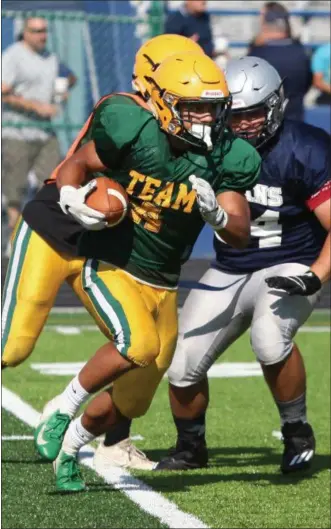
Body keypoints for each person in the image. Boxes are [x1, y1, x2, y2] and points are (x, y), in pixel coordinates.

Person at [31, 50, 262, 493]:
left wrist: (217, 217)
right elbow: (80, 161)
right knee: (136, 344)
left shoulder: (227, 157)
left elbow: (239, 233)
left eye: (212, 107)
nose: (205, 117)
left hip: (165, 284)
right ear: (161, 103)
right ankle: (61, 409)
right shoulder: (136, 131)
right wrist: (69, 194)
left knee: (131, 401)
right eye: (193, 105)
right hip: (114, 266)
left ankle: (71, 450)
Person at [1, 34, 207, 477]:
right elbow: (83, 165)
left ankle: (113, 441)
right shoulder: (125, 111)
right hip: (58, 228)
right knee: (13, 347)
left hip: (115, 246)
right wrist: (76, 193)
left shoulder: (192, 130)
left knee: (145, 359)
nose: (196, 106)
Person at [154, 56, 330, 474]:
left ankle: (296, 431)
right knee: (181, 365)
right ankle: (191, 445)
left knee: (270, 340)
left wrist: (316, 274)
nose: (242, 124)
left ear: (275, 106)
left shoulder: (305, 147)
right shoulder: (206, 147)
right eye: (233, 114)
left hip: (290, 263)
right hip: (230, 266)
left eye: (252, 114)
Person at [1, 16, 77, 239]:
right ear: (25, 33)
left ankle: (46, 236)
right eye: (36, 31)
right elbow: (3, 91)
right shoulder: (13, 56)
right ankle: (12, 237)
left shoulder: (50, 57)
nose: (42, 35)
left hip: (45, 132)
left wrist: (62, 91)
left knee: (53, 182)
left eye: (44, 30)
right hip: (17, 131)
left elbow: (70, 76)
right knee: (15, 189)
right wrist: (36, 106)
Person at [248, 1, 312, 121]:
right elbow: (307, 83)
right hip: (295, 122)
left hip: (266, 127)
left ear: (266, 23)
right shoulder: (300, 52)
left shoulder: (258, 54)